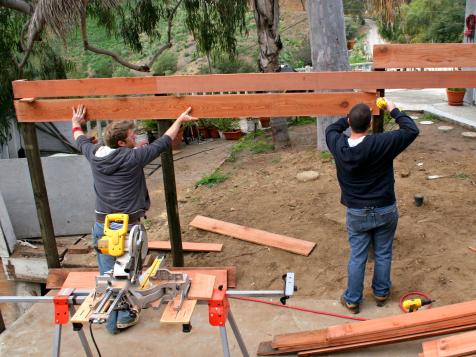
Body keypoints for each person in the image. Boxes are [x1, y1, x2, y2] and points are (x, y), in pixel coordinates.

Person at [71, 104, 197, 331]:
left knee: (109, 278)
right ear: (121, 143)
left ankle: (114, 320)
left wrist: (75, 122)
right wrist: (179, 119)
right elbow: (164, 141)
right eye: (131, 137)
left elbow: (79, 138)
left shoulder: (94, 154)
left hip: (103, 227)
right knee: (123, 278)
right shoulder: (132, 158)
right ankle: (120, 319)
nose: (135, 138)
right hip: (127, 229)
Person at [325, 99, 419, 314]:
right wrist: (392, 108)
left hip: (357, 212)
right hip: (385, 209)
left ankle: (352, 299)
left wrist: (348, 119)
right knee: (384, 252)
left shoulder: (338, 144)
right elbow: (411, 129)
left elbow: (332, 128)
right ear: (369, 125)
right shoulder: (381, 143)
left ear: (349, 122)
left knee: (358, 255)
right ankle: (381, 292)